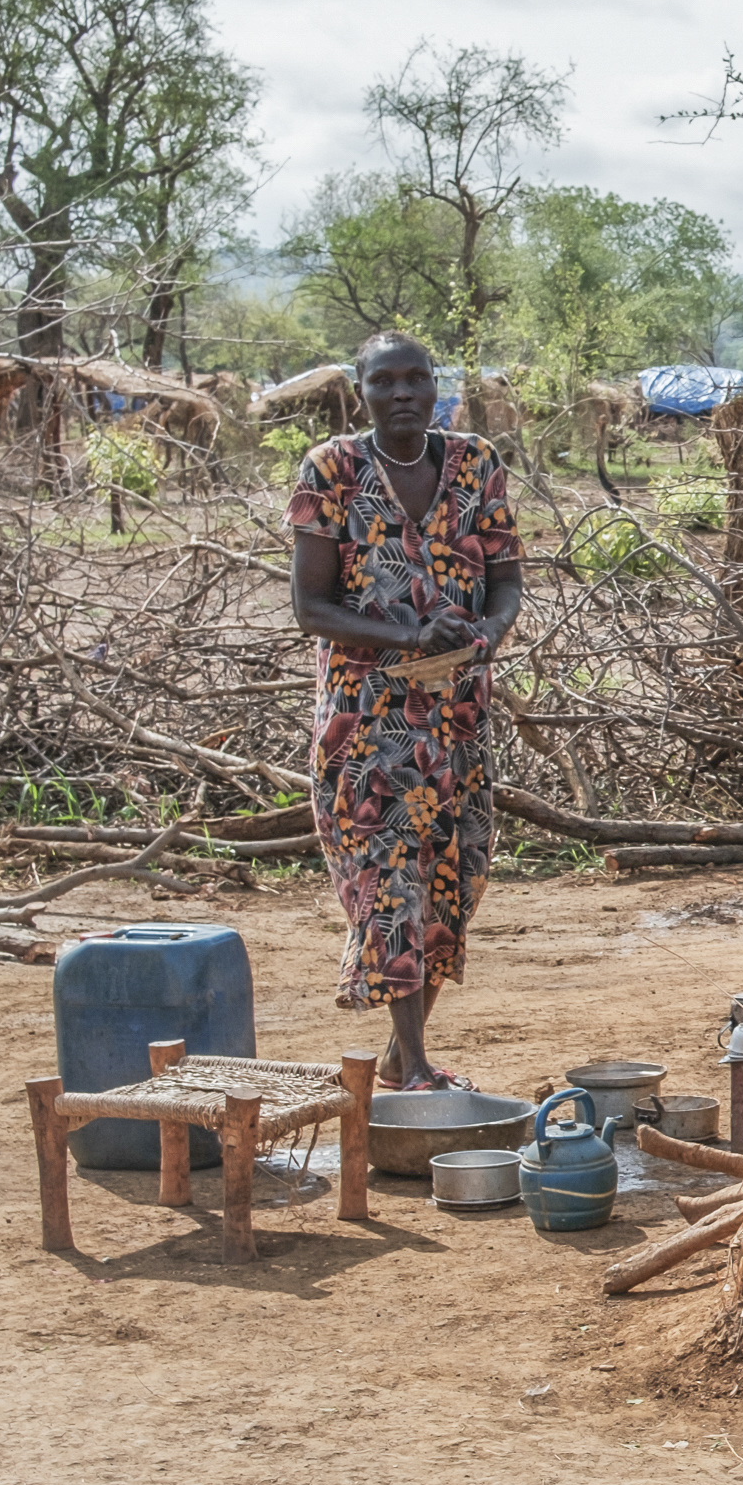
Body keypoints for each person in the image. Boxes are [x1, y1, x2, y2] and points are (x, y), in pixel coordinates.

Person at [287, 333, 525, 1089]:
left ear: (436, 387)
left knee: (456, 879)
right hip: (368, 728)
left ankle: (401, 1056)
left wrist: (487, 629)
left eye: (415, 379)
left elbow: (507, 579)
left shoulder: (476, 464)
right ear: (360, 391)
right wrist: (409, 636)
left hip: (457, 722)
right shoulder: (333, 471)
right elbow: (310, 604)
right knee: (391, 884)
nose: (402, 394)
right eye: (383, 380)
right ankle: (414, 1064)